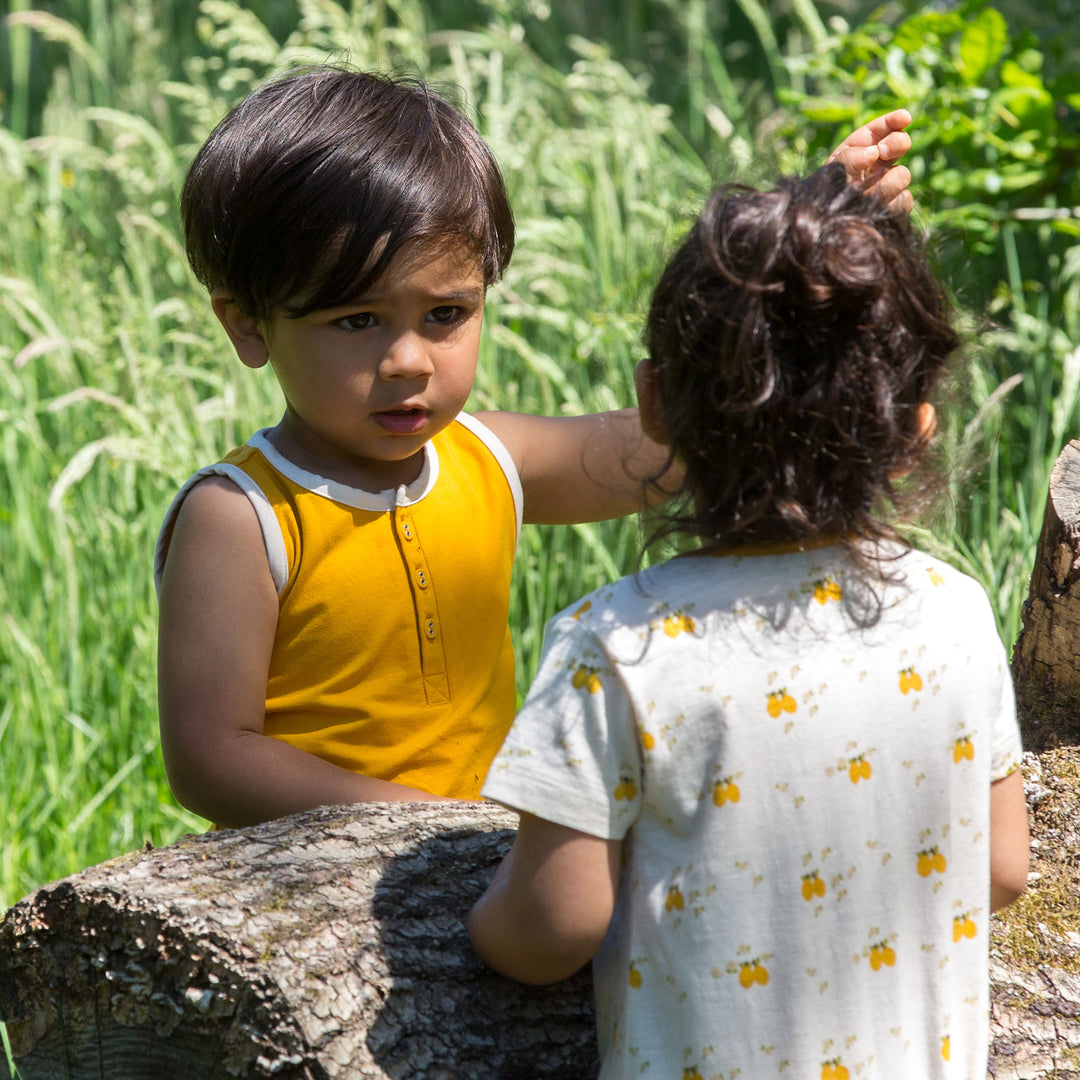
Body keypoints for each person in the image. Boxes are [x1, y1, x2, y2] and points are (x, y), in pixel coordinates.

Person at [156, 63, 916, 829]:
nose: (410, 360)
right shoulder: (241, 517)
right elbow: (212, 757)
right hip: (313, 886)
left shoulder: (486, 459)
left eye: (447, 314)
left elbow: (688, 442)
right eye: (357, 321)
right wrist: (429, 824)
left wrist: (798, 256)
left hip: (478, 865)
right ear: (248, 323)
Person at [469, 163, 1030, 1080]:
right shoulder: (955, 613)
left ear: (654, 404)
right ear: (918, 427)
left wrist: (459, 912)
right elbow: (1003, 869)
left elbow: (550, 929)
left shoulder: (617, 645)